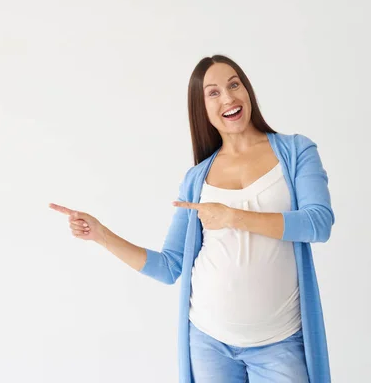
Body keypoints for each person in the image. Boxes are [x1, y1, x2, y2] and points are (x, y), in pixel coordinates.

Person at [49, 54, 335, 383]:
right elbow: (171, 266)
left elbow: (318, 223)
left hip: (279, 342)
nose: (228, 98)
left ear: (247, 90)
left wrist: (233, 217)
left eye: (233, 85)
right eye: (213, 93)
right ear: (202, 109)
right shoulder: (196, 178)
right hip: (209, 342)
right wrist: (101, 235)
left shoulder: (296, 151)